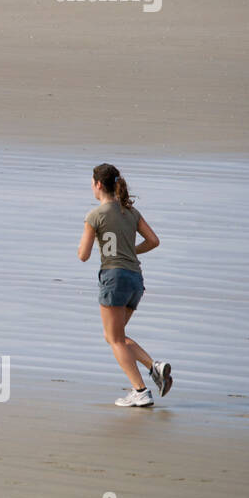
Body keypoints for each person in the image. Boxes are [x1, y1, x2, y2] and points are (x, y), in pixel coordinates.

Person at [77, 163, 172, 407]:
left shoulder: (95, 215)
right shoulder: (131, 212)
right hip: (135, 280)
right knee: (114, 336)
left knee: (114, 339)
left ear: (98, 185)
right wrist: (132, 250)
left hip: (113, 277)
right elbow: (153, 241)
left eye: (92, 182)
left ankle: (140, 390)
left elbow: (83, 255)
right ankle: (155, 366)